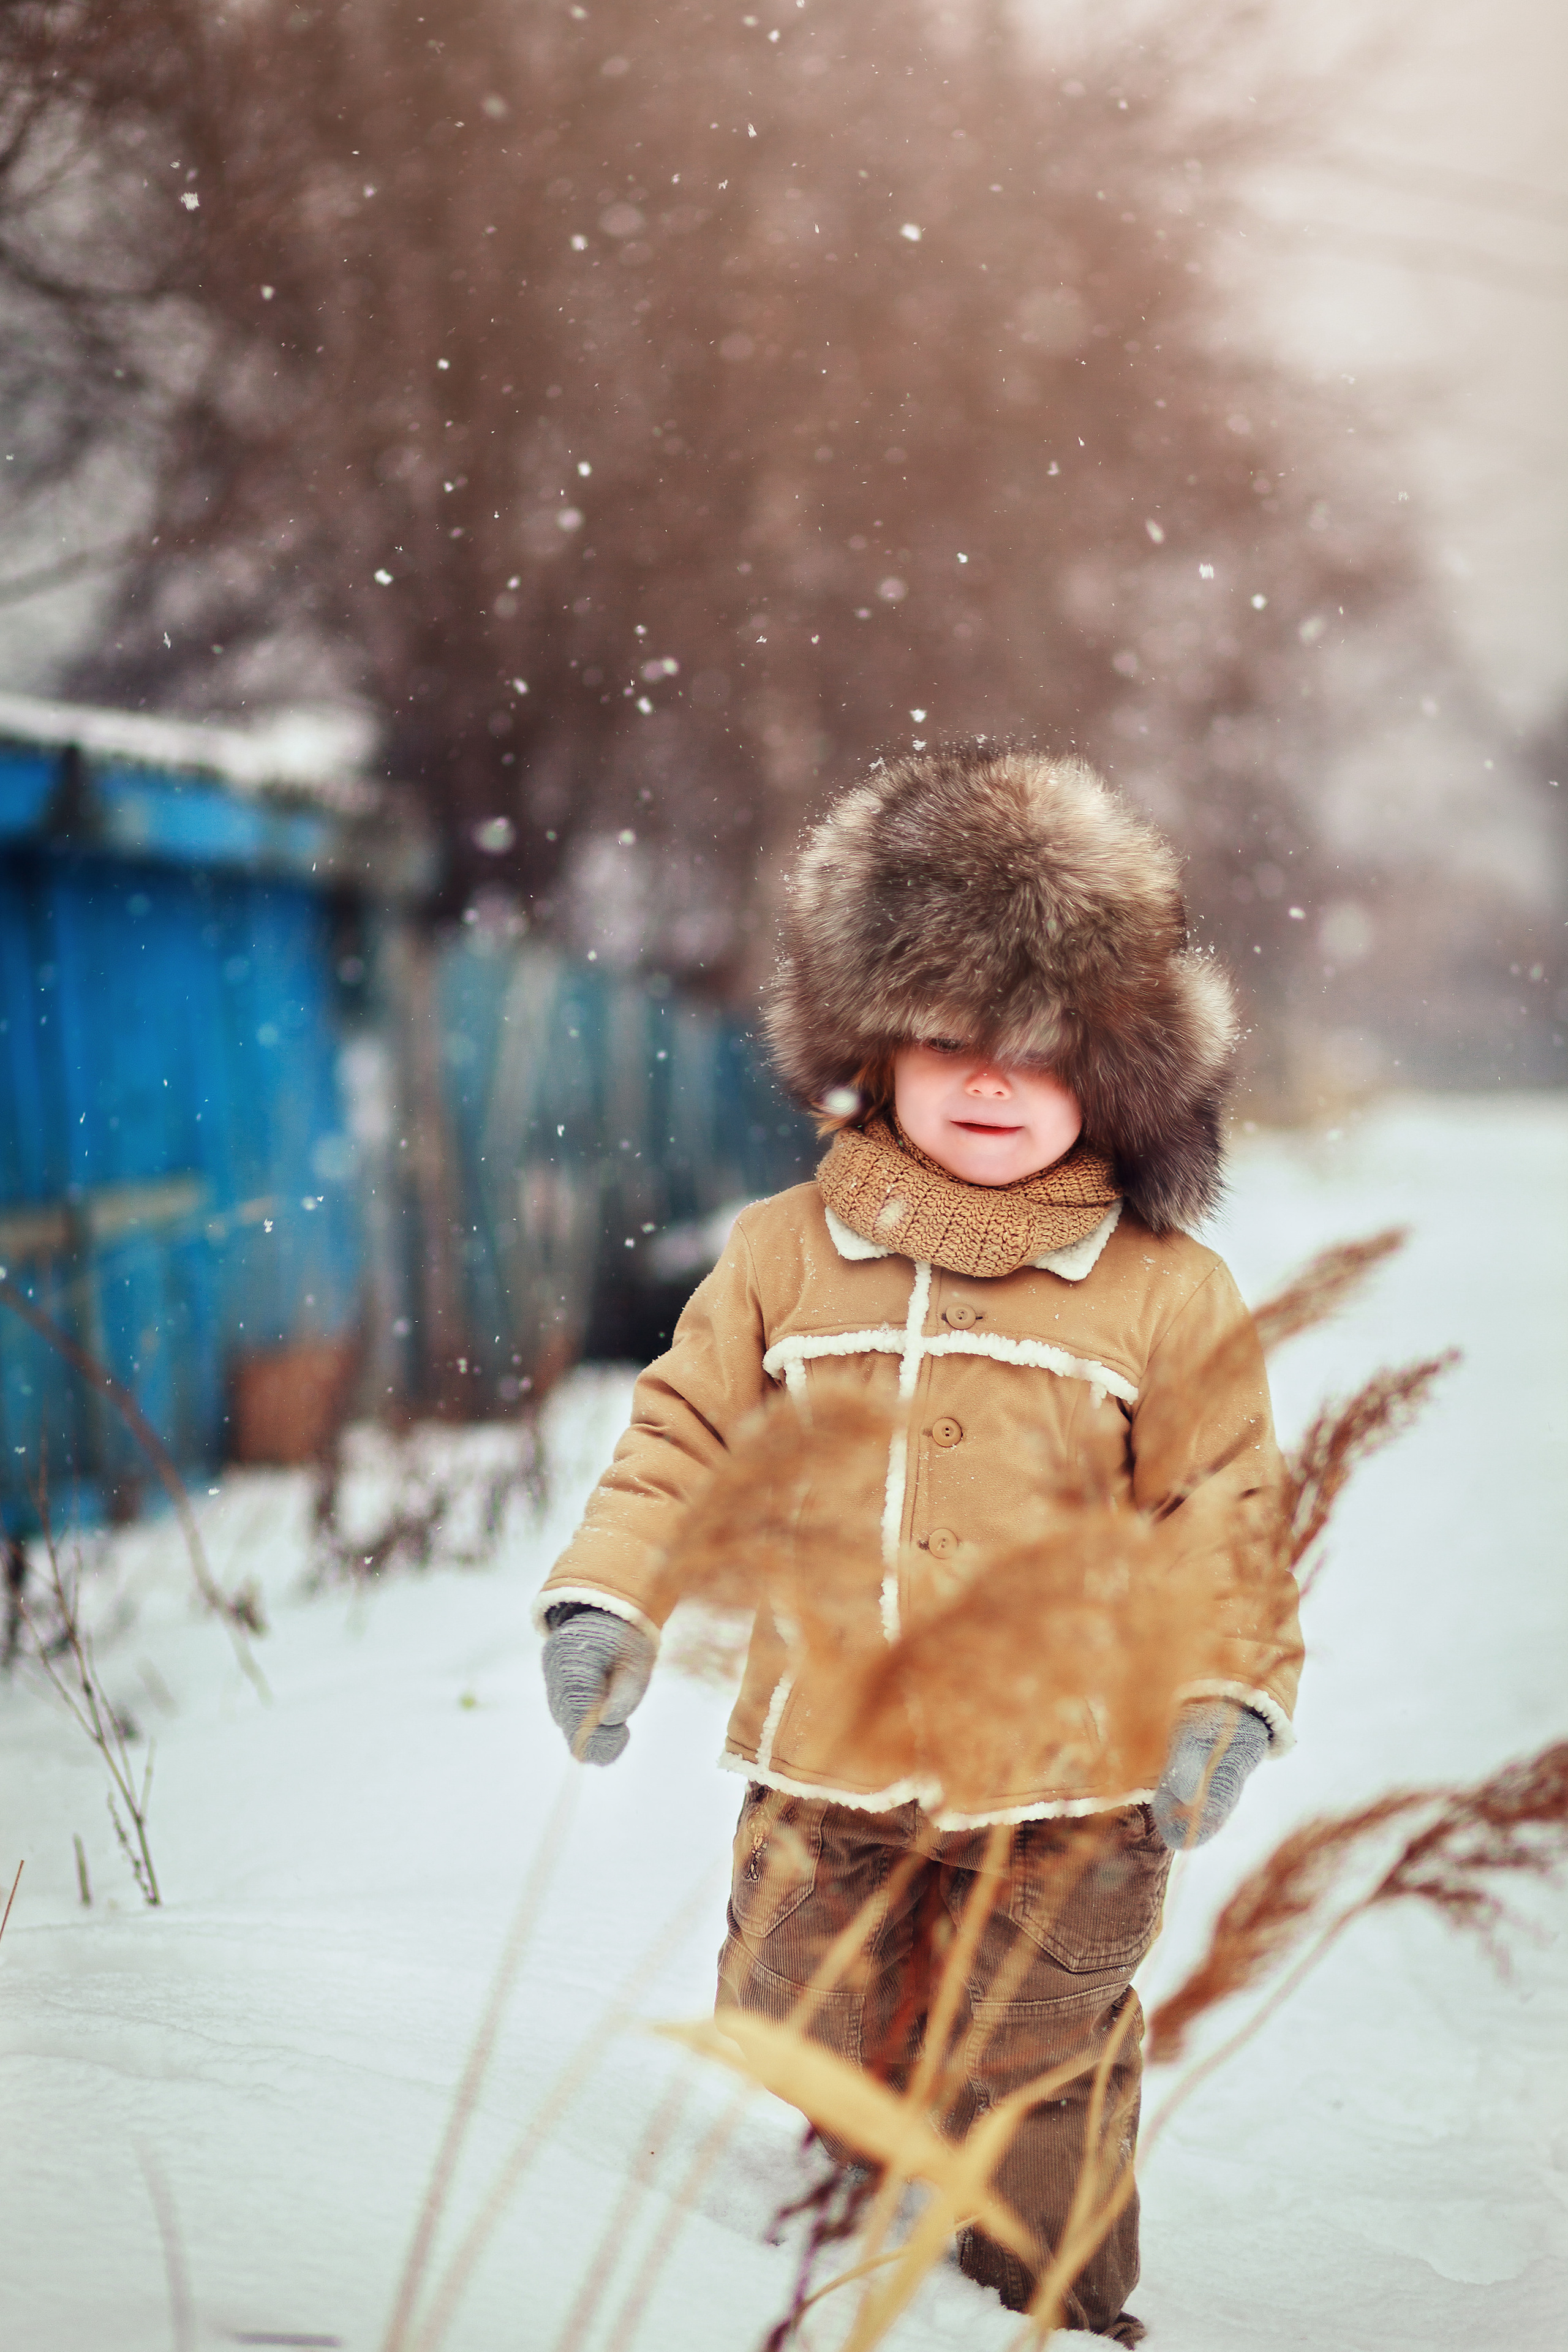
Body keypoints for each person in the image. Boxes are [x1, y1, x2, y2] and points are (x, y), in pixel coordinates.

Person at [535, 745, 1302, 2342]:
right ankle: (867, 2272)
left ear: (1119, 1068)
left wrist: (1221, 1696)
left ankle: (1042, 2309)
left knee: (1027, 2072)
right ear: (867, 1047)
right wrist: (610, 1596)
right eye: (950, 1038)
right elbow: (680, 1436)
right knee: (807, 2025)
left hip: (1071, 1797)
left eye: (1043, 1048)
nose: (993, 1080)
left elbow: (1223, 1511)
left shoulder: (1161, 1295)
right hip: (825, 1767)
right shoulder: (781, 1258)